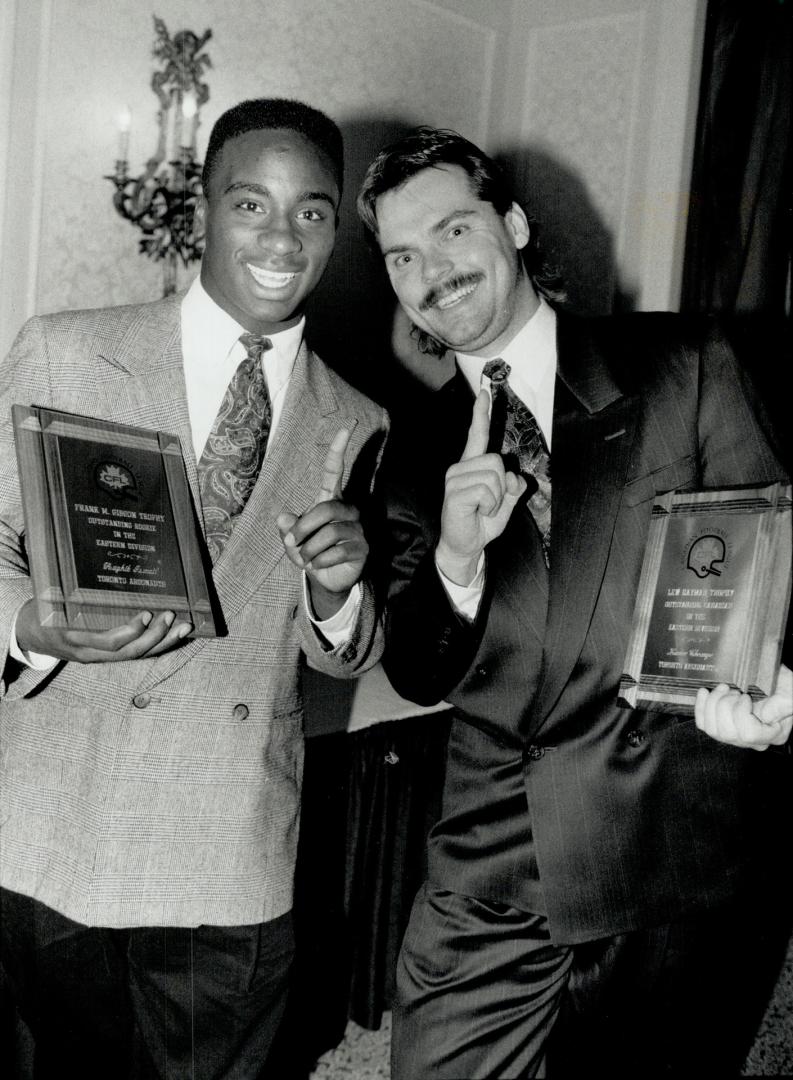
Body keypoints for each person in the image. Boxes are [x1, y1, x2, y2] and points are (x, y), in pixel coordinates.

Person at [356, 126, 793, 1078]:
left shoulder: (683, 364)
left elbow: (777, 556)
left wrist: (782, 685)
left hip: (676, 840)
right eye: (400, 254)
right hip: (493, 854)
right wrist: (455, 563)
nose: (429, 270)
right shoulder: (409, 451)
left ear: (512, 224)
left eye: (452, 231)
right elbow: (415, 667)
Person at [0, 98, 387, 1079]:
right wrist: (35, 624)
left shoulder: (360, 416)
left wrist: (341, 591)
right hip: (54, 829)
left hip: (228, 846)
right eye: (249, 203)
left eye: (311, 212)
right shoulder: (66, 348)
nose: (280, 237)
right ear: (200, 210)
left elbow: (334, 649)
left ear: (336, 229)